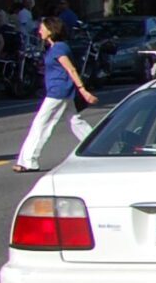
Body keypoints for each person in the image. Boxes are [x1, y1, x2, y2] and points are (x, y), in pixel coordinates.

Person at [15, 15, 98, 171]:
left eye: (42, 27)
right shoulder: (54, 47)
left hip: (58, 92)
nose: (39, 30)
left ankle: (28, 161)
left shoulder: (59, 48)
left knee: (41, 124)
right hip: (62, 91)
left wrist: (83, 90)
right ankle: (98, 147)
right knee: (75, 121)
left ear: (51, 30)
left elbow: (71, 69)